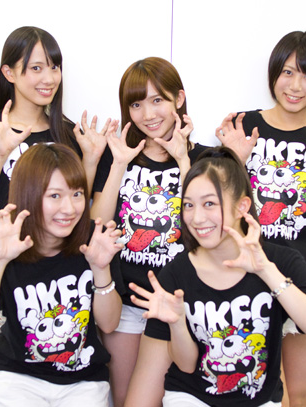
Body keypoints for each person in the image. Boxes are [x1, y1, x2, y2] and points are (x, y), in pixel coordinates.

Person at [215, 31, 306, 407]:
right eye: (288, 72)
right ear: (274, 73)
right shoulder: (243, 126)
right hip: (249, 274)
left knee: (299, 393)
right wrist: (236, 159)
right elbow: (219, 209)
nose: (295, 86)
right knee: (267, 392)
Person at [130, 146, 306, 407]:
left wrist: (266, 271)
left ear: (242, 207)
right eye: (189, 205)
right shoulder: (175, 274)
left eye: (210, 204)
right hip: (192, 398)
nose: (197, 218)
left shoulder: (281, 261)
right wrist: (177, 324)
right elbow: (186, 365)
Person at [0, 143, 123, 407]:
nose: (69, 208)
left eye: (77, 194)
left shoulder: (94, 244)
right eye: (55, 196)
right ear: (28, 195)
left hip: (83, 381)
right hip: (18, 379)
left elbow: (109, 324)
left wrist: (100, 268)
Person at [90, 57, 208, 407]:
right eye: (136, 104)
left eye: (158, 100)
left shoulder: (203, 159)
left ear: (179, 99)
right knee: (124, 399)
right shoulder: (119, 156)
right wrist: (120, 163)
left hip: (179, 302)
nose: (148, 114)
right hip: (126, 300)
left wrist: (183, 160)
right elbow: (97, 225)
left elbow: (202, 226)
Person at [0, 26, 110, 255]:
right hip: (2, 266)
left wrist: (91, 160)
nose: (49, 79)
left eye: (54, 67)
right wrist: (0, 155)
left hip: (59, 268)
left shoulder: (69, 134)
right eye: (36, 68)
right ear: (9, 73)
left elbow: (76, 210)